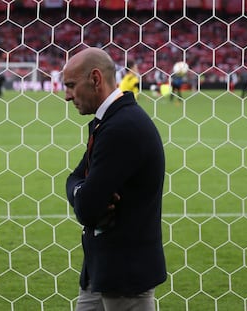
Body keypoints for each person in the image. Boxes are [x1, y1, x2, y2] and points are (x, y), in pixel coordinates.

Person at [63, 47, 167, 311]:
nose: (66, 96)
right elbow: (75, 178)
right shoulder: (111, 121)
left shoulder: (122, 127)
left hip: (125, 273)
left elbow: (87, 209)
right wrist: (80, 190)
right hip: (102, 268)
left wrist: (82, 194)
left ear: (95, 79)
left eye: (71, 85)